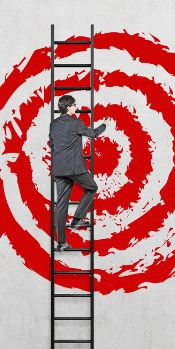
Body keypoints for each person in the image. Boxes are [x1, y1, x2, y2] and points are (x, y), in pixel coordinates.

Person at [49, 94, 111, 251]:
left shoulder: (53, 124)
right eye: (74, 105)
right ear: (68, 107)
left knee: (61, 205)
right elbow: (93, 134)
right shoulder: (75, 122)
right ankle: (77, 219)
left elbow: (52, 144)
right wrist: (105, 124)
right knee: (92, 188)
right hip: (74, 167)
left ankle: (61, 243)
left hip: (59, 167)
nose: (76, 107)